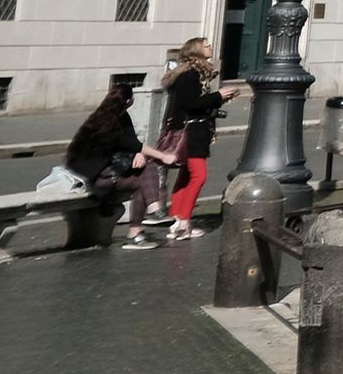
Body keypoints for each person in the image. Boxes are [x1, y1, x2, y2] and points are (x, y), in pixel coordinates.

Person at [64, 82, 177, 246]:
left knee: (144, 175)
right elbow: (129, 143)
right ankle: (145, 219)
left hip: (104, 173)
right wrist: (162, 156)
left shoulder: (109, 116)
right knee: (146, 174)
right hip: (94, 179)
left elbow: (131, 144)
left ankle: (143, 223)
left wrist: (139, 154)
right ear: (129, 100)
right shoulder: (111, 121)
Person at [160, 37, 237, 243]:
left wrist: (218, 99)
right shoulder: (190, 75)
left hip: (193, 129)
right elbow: (192, 103)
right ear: (196, 51)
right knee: (199, 175)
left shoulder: (192, 74)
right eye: (206, 45)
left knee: (186, 174)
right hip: (192, 131)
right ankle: (183, 222)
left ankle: (177, 217)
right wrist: (218, 96)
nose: (210, 47)